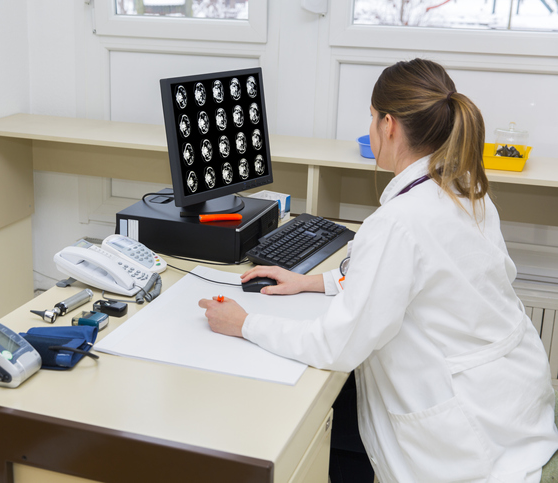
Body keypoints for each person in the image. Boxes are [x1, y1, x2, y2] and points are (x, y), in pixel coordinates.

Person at [198, 58, 558, 482]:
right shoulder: (466, 188)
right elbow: (428, 279)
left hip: (467, 439)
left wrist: (245, 324)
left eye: (370, 117)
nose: (370, 126)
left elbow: (337, 346)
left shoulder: (398, 223)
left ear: (388, 124)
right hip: (513, 405)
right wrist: (315, 281)